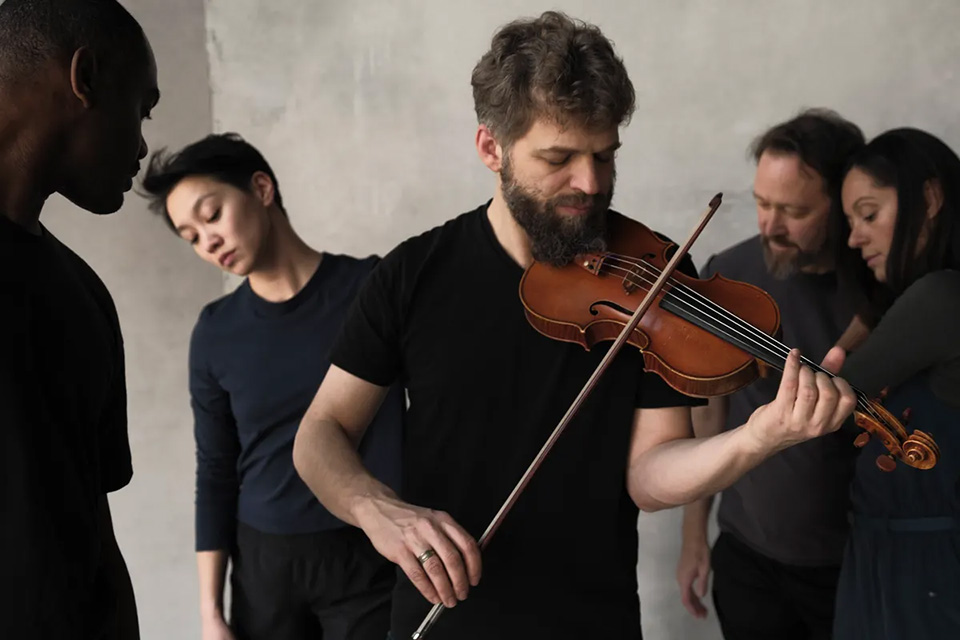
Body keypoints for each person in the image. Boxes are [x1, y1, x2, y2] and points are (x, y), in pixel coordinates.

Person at [291, 12, 857, 640]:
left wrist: (757, 439)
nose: (590, 184)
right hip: (442, 620)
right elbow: (321, 433)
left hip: (593, 621)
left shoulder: (658, 274)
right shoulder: (412, 275)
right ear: (490, 149)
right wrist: (378, 511)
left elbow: (649, 474)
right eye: (559, 158)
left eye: (604, 156)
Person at [140, 133, 403, 640]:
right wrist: (210, 613)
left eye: (211, 214)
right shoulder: (215, 331)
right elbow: (215, 471)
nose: (207, 242)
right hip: (265, 567)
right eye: (191, 236)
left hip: (367, 554)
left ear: (260, 188)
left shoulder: (370, 289)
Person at [0, 1, 160, 638]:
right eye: (141, 108)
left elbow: (94, 528)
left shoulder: (83, 296)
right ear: (85, 78)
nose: (144, 145)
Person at [676, 109, 865, 640]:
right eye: (762, 203)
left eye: (794, 210)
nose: (769, 226)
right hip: (747, 558)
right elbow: (709, 412)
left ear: (844, 204)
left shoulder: (878, 292)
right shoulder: (729, 277)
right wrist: (695, 535)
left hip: (851, 566)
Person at [825, 127, 960, 640]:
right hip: (899, 561)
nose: (855, 237)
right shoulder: (922, 300)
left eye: (869, 213)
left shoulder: (940, 297)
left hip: (923, 570)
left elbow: (829, 404)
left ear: (929, 198)